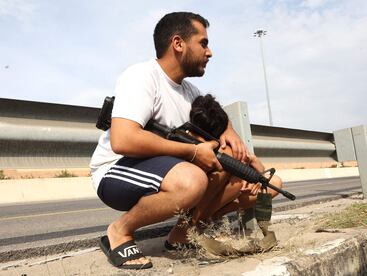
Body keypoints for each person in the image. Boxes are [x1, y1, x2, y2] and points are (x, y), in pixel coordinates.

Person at [89, 12, 248, 270]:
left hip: (158, 168)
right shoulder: (142, 76)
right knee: (192, 181)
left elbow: (218, 116)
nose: (210, 53)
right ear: (178, 43)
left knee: (229, 172)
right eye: (204, 43)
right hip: (115, 171)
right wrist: (194, 152)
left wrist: (229, 131)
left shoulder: (189, 91)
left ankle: (181, 236)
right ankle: (119, 231)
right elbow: (123, 139)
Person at [187, 94, 282, 225]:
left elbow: (257, 170)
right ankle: (197, 220)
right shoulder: (190, 142)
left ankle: (213, 216)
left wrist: (256, 175)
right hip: (195, 194)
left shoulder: (227, 142)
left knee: (275, 184)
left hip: (220, 195)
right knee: (237, 182)